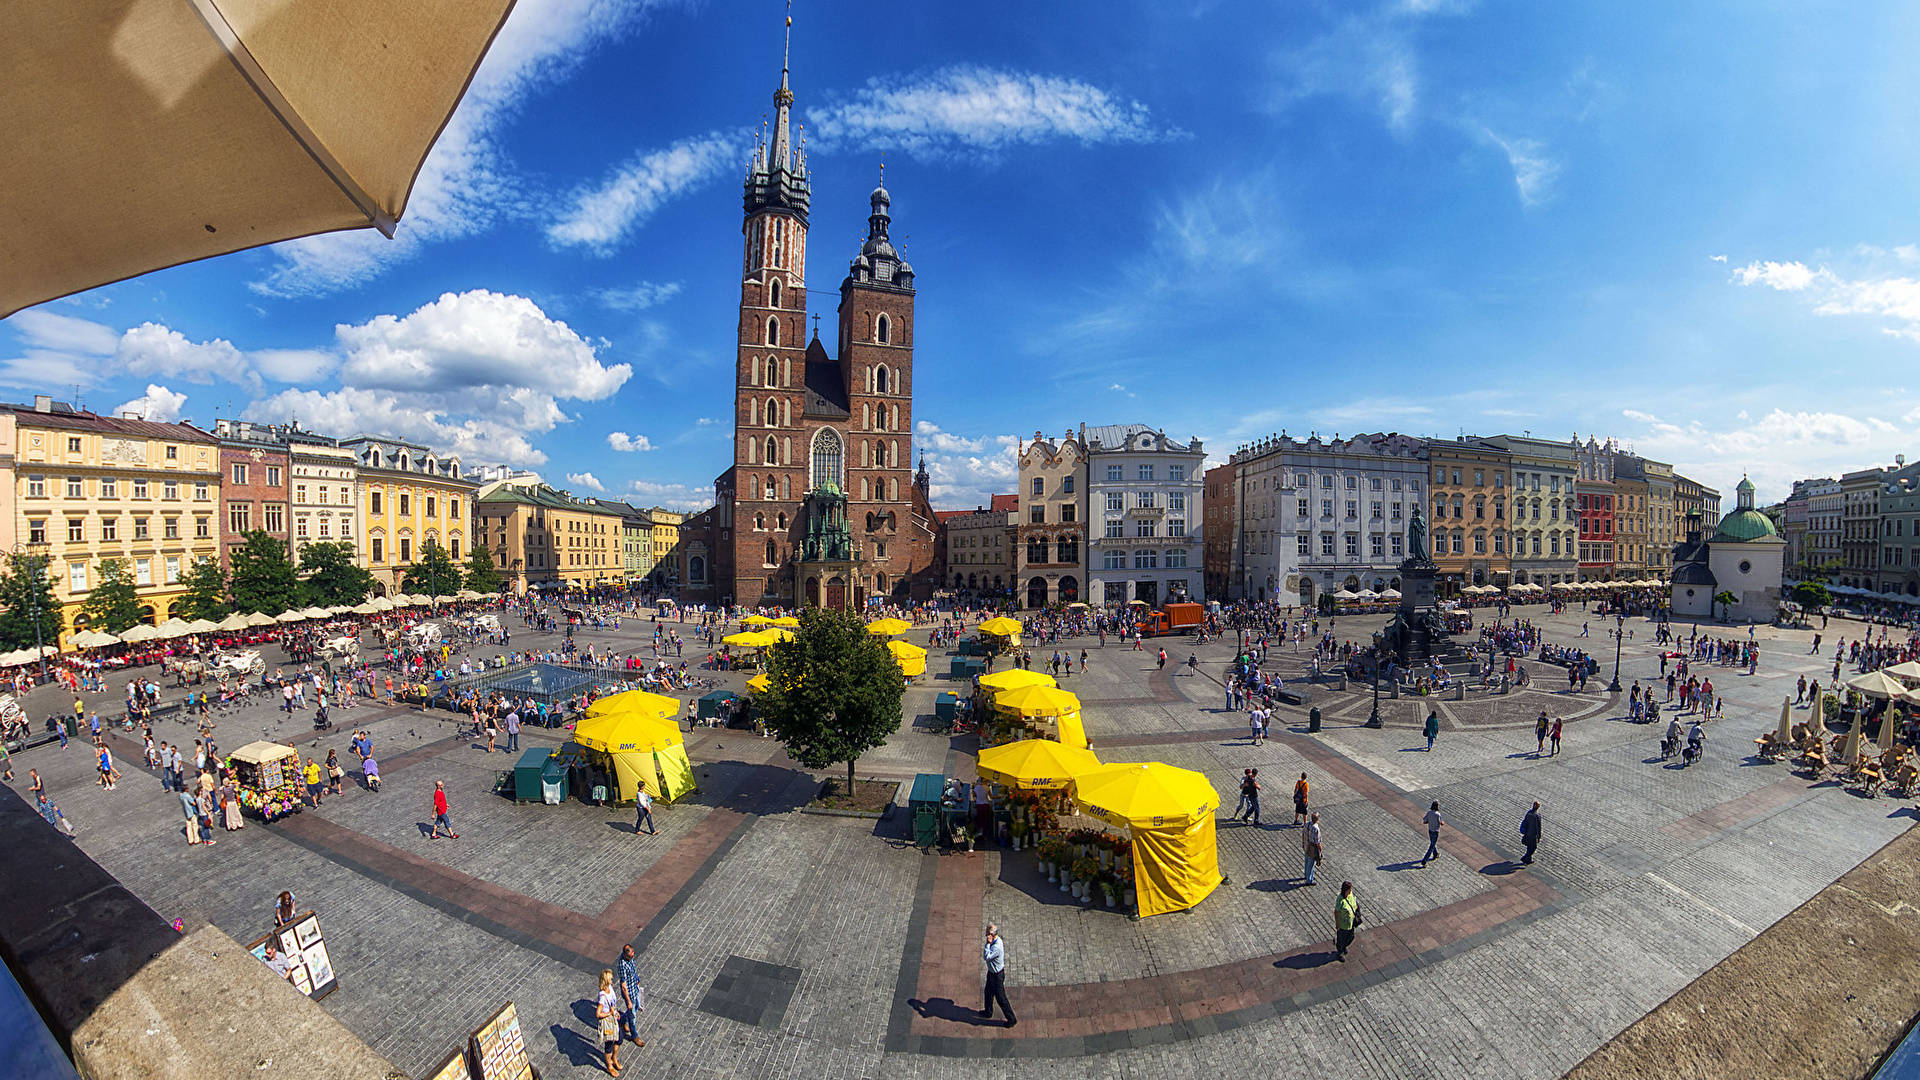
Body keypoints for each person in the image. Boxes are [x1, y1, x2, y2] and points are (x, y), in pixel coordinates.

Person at [979, 924, 1016, 1026]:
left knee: (1001, 999)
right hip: (992, 973)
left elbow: (986, 957)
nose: (985, 933)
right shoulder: (995, 941)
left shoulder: (996, 946)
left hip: (997, 976)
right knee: (988, 993)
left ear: (991, 935)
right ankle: (988, 1012)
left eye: (987, 931)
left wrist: (987, 944)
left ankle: (1011, 1019)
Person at [615, 943, 646, 1047]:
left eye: (633, 953)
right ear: (625, 955)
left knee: (636, 1006)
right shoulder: (622, 966)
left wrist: (636, 978)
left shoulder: (630, 958)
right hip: (629, 993)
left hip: (635, 988)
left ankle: (623, 1019)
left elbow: (633, 968)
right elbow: (623, 985)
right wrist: (628, 1001)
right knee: (632, 1016)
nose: (633, 956)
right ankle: (634, 1035)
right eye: (631, 955)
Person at [595, 969, 623, 1077]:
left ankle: (614, 1058)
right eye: (611, 978)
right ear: (607, 980)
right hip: (607, 1022)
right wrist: (608, 1013)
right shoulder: (602, 997)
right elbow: (598, 1014)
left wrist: (614, 1012)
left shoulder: (610, 988)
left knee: (619, 1038)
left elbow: (612, 1003)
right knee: (609, 1044)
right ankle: (609, 1066)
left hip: (613, 1018)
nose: (612, 979)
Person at [1334, 882, 1360, 962]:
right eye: (1349, 890)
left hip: (1351, 923)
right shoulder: (1340, 900)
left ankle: (1344, 946)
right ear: (1345, 890)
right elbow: (1336, 912)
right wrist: (1337, 924)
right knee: (1341, 939)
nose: (1351, 891)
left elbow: (1355, 902)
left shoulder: (1350, 894)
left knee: (1351, 937)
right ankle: (1340, 952)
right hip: (1343, 925)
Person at [1421, 800, 1442, 865]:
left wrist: (1429, 821)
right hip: (1435, 831)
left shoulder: (1429, 812)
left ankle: (1435, 854)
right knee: (1431, 846)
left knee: (1433, 843)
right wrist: (1442, 823)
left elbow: (1424, 821)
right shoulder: (1437, 814)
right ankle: (1424, 861)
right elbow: (1439, 822)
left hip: (1430, 830)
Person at [1302, 812, 1321, 885]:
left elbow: (1303, 833)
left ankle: (1306, 875)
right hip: (1312, 849)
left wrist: (1303, 843)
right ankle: (1309, 880)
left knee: (1306, 861)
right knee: (1311, 863)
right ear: (1317, 819)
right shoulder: (1316, 829)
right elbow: (1318, 842)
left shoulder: (1307, 824)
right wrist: (1320, 850)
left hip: (1306, 846)